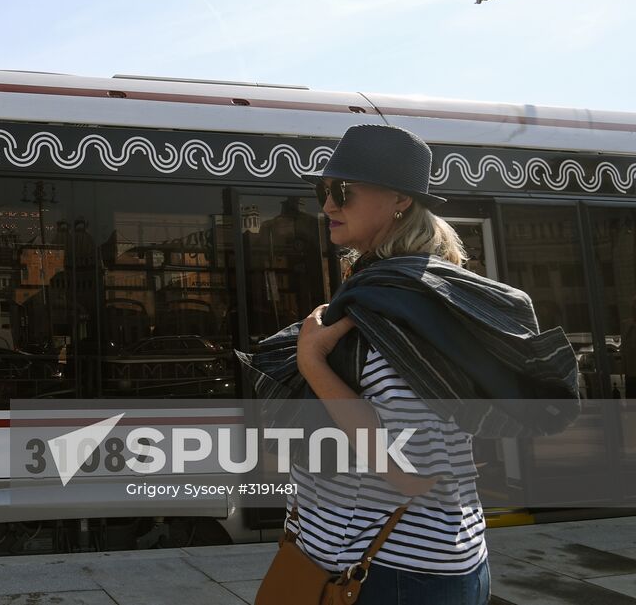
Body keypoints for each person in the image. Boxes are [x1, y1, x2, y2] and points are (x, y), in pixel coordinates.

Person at [243, 125, 580, 605]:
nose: (327, 206)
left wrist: (311, 360)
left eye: (343, 192)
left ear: (399, 199)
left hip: (387, 572)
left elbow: (406, 466)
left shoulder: (400, 306)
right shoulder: (407, 297)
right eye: (324, 191)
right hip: (414, 558)